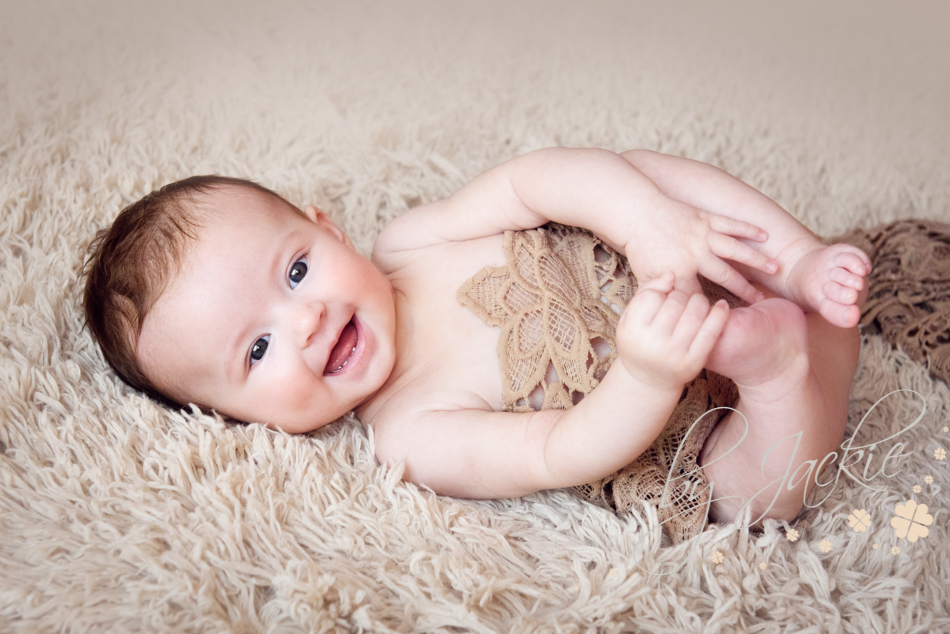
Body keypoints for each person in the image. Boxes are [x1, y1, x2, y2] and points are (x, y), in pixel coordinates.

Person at [82, 148, 870, 542]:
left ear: (329, 228)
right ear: (233, 420)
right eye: (255, 352)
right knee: (752, 499)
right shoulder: (411, 434)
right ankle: (779, 369)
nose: (308, 321)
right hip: (684, 412)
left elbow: (531, 181)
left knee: (633, 173)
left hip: (671, 252)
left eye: (295, 270)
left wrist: (644, 225)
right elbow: (556, 450)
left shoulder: (412, 240)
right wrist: (645, 372)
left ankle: (796, 260)